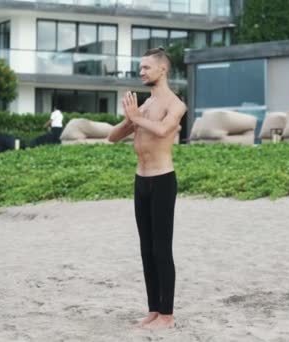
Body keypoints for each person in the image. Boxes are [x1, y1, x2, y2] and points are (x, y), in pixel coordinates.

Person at [107, 47, 187, 330]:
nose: (141, 72)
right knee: (146, 249)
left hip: (162, 180)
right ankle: (154, 310)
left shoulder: (175, 104)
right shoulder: (142, 107)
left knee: (162, 249)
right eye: (140, 68)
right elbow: (112, 137)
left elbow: (165, 130)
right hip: (141, 181)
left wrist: (137, 118)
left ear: (162, 69)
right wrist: (129, 119)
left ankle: (167, 314)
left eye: (146, 68)